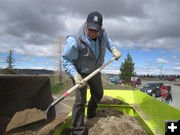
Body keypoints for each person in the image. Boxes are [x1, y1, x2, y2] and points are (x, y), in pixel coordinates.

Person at [61, 11, 121, 135]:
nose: (93, 33)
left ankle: (91, 112)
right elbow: (66, 60)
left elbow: (108, 41)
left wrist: (114, 49)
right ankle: (77, 130)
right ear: (85, 24)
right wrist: (75, 76)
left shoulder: (102, 32)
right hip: (79, 72)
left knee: (99, 93)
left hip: (94, 69)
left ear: (100, 27)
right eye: (90, 30)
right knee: (80, 101)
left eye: (96, 30)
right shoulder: (74, 40)